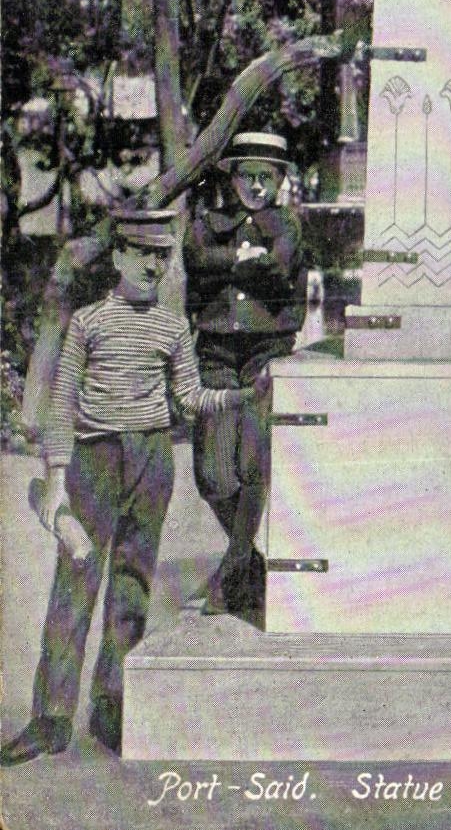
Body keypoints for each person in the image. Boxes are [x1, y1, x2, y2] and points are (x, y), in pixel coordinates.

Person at [0, 207, 251, 765]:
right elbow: (63, 401)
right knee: (76, 582)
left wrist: (237, 398)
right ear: (117, 256)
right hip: (95, 458)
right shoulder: (87, 322)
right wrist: (56, 476)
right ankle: (50, 718)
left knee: (133, 585)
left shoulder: (172, 327)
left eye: (161, 255)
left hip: (152, 458)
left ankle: (111, 706)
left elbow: (189, 395)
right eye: (142, 254)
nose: (153, 265)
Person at [183, 131, 303, 617]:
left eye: (265, 177)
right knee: (213, 475)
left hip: (265, 351)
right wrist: (238, 258)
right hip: (215, 352)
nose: (255, 186)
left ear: (280, 180)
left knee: (253, 465)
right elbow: (195, 260)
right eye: (246, 176)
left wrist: (225, 265)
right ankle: (252, 567)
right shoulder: (208, 223)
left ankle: (231, 571)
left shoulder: (287, 224)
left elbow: (278, 269)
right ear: (231, 178)